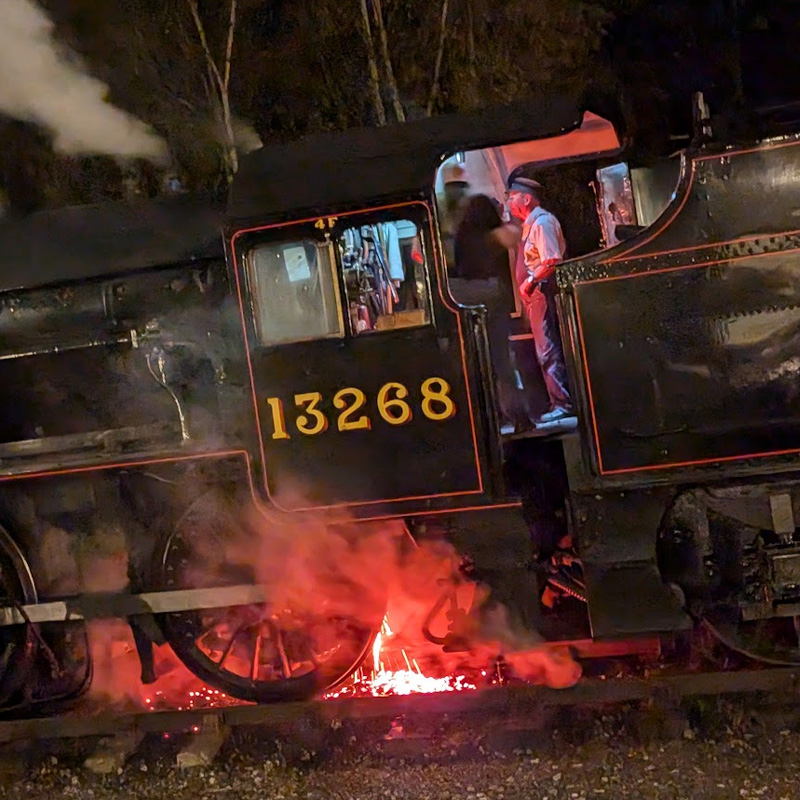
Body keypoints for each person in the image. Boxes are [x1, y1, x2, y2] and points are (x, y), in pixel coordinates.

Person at [451, 193, 526, 433]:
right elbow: (513, 236)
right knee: (502, 361)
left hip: (467, 303)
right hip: (493, 299)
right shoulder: (492, 236)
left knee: (478, 364)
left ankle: (491, 419)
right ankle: (519, 416)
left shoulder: (462, 237)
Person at [505, 177, 574, 426]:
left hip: (542, 292)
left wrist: (530, 281)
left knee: (548, 350)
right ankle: (558, 401)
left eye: (512, 196)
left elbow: (551, 259)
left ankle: (563, 404)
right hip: (534, 296)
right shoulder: (529, 225)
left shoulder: (542, 223)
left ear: (527, 198)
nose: (509, 202)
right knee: (543, 349)